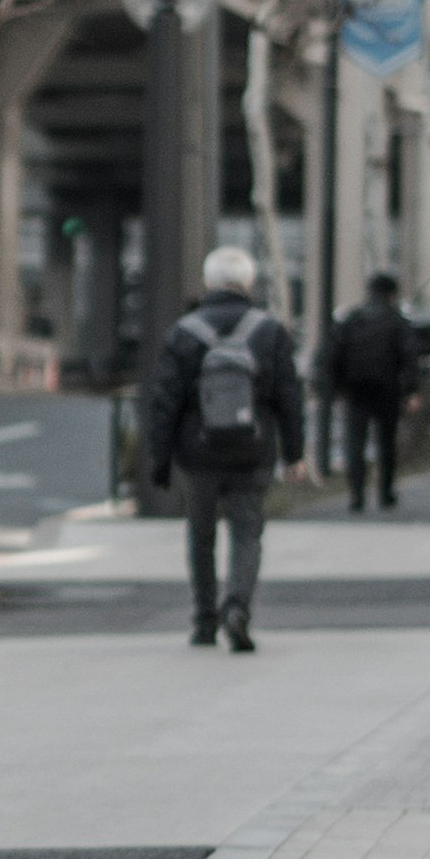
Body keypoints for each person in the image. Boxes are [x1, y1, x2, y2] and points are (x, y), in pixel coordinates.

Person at [143, 244, 310, 651]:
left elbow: (165, 402)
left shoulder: (184, 332)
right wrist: (295, 452)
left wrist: (160, 460)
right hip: (253, 449)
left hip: (198, 452)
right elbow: (289, 396)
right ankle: (238, 609)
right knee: (247, 533)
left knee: (201, 536)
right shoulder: (269, 332)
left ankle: (204, 619)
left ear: (208, 282)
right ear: (249, 283)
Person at [316, 270, 418, 513]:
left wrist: (334, 387)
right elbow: (410, 357)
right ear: (391, 294)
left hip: (355, 391)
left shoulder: (352, 319)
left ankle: (357, 495)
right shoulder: (396, 320)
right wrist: (411, 390)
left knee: (355, 444)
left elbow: (332, 354)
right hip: (387, 390)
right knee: (386, 443)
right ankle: (385, 493)